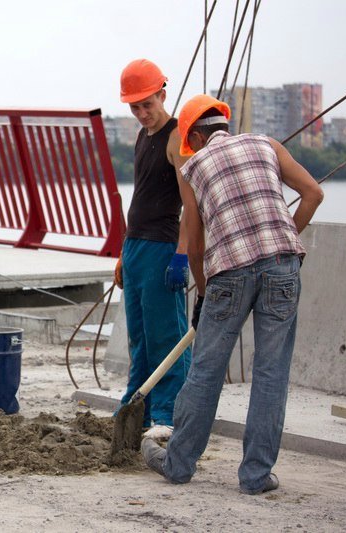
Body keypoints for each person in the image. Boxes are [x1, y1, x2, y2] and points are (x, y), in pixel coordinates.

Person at [142, 94, 324, 495]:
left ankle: (178, 464)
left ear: (194, 136)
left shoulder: (193, 168)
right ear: (222, 124)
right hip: (282, 266)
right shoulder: (266, 144)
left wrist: (204, 295)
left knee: (206, 371)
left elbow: (195, 240)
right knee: (271, 374)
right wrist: (286, 241)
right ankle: (256, 477)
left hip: (229, 273)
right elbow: (313, 193)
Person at [114, 59, 192, 431]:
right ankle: (136, 405)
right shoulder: (142, 137)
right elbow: (140, 197)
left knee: (167, 334)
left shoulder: (178, 137)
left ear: (163, 93)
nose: (142, 113)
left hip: (163, 247)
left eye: (147, 103)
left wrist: (182, 254)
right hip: (135, 247)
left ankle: (167, 413)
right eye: (134, 106)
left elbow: (191, 204)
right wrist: (122, 253)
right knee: (140, 335)